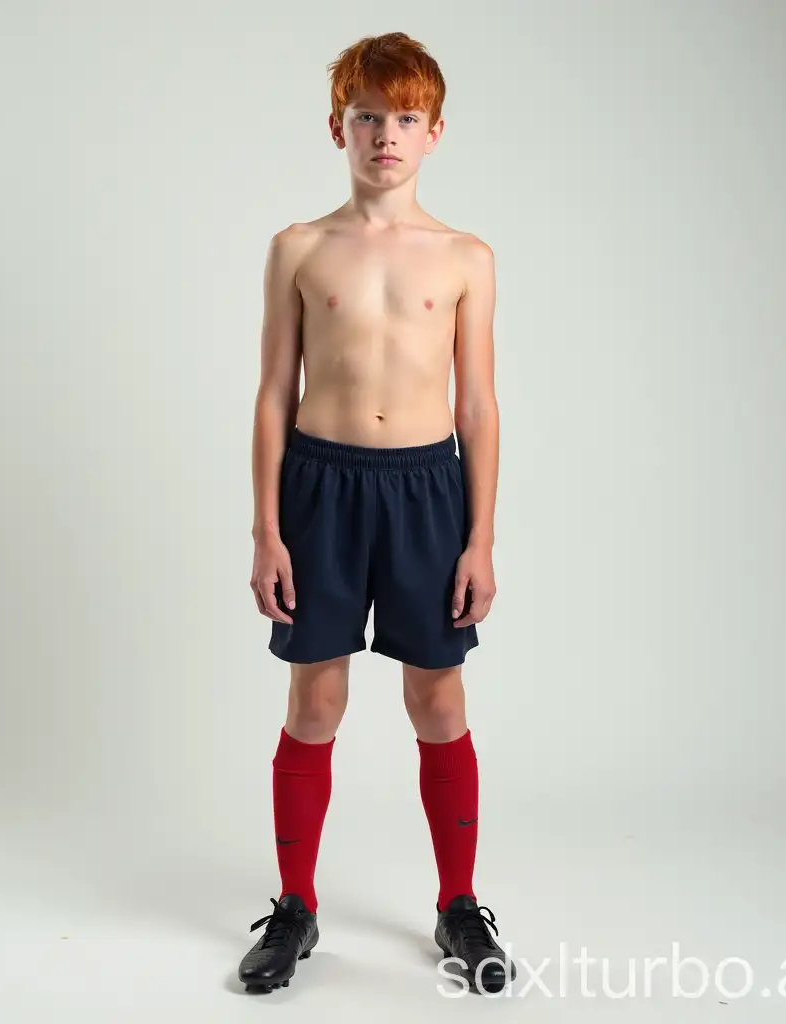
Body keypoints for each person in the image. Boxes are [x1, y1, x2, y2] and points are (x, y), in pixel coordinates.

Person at [238, 31, 515, 995]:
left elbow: (477, 403)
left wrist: (480, 535)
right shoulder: (299, 249)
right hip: (320, 489)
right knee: (315, 701)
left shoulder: (467, 257)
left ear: (434, 133)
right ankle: (296, 907)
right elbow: (275, 392)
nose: (384, 134)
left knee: (437, 700)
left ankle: (458, 906)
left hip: (425, 493)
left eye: (404, 118)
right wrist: (268, 528)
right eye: (367, 116)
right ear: (336, 128)